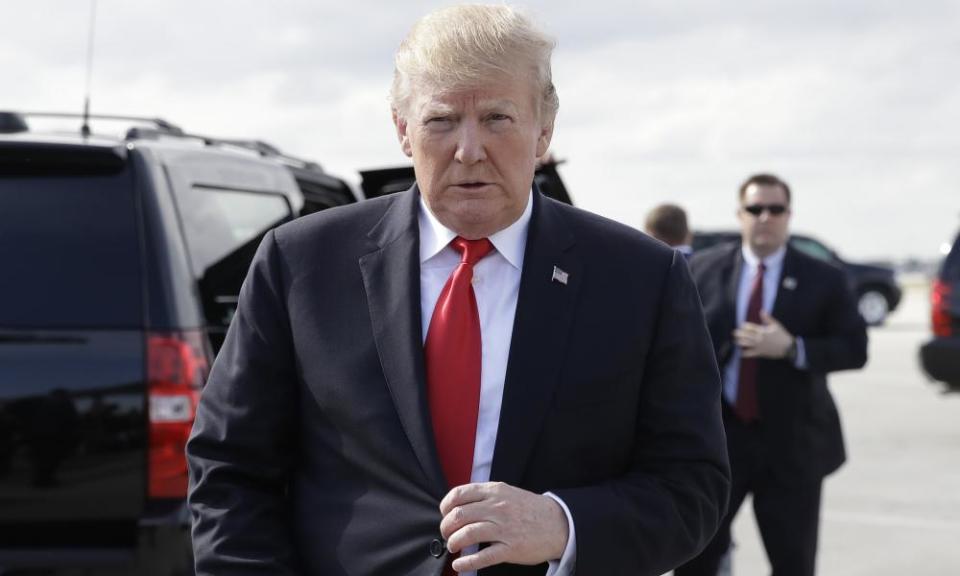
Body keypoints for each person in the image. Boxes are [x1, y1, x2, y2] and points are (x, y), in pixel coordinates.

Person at [187, 5, 729, 575]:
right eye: (441, 120)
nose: (469, 149)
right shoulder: (301, 264)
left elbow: (693, 484)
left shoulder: (641, 279)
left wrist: (564, 523)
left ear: (544, 129)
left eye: (498, 118)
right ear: (402, 129)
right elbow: (230, 470)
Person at [675, 173, 868, 576]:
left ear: (789, 215)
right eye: (755, 209)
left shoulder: (824, 278)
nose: (765, 217)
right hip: (720, 444)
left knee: (793, 562)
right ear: (740, 214)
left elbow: (855, 349)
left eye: (775, 209)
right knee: (695, 558)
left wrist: (793, 348)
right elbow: (675, 347)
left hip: (792, 446)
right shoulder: (703, 270)